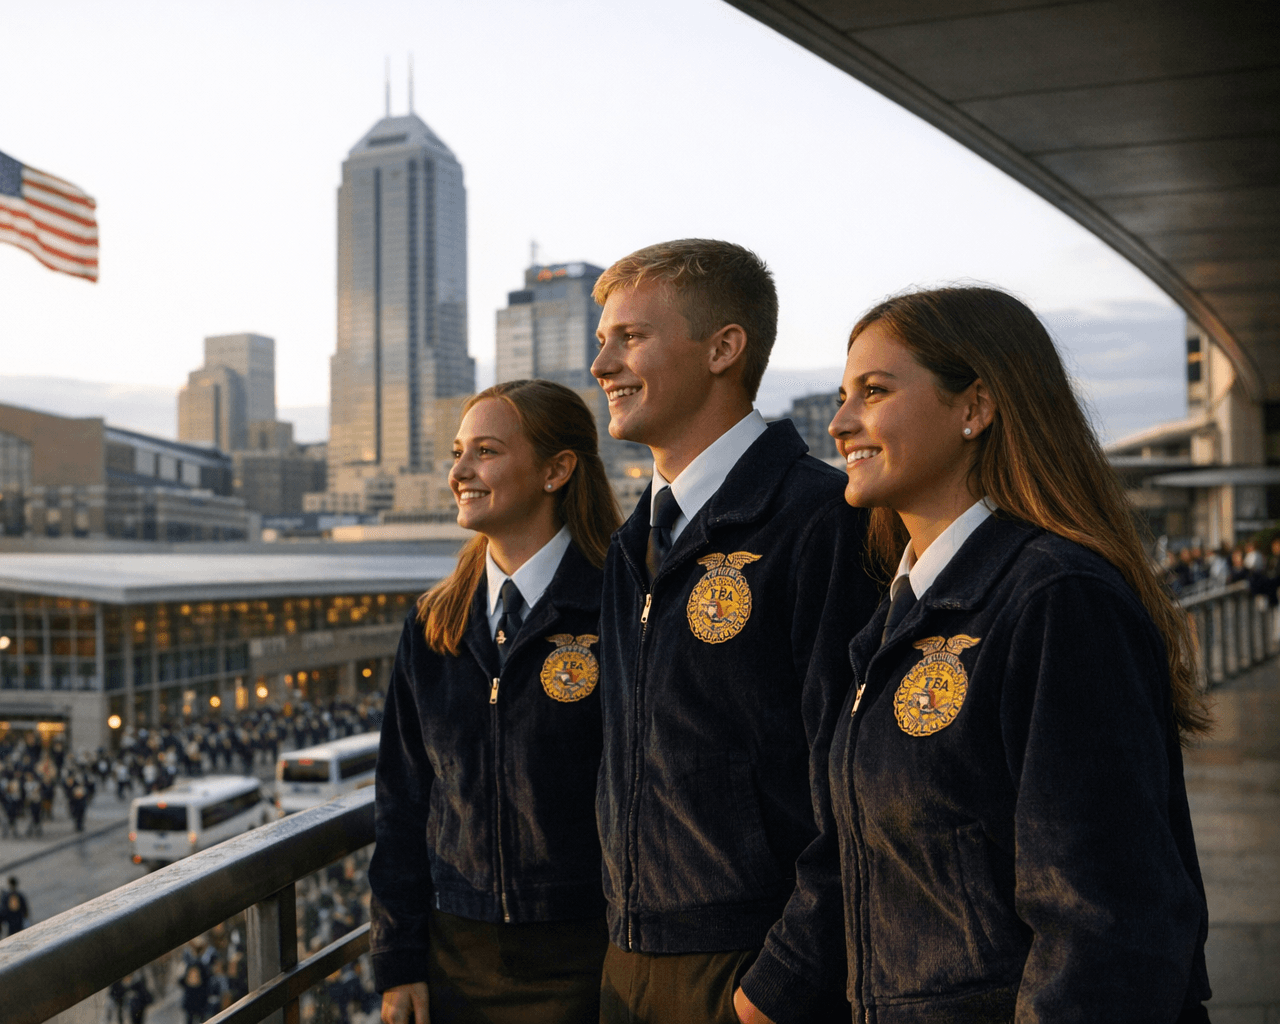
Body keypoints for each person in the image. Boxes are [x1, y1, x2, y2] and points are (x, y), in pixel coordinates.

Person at [738, 286, 1212, 1024]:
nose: (839, 423)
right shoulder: (898, 616)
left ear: (975, 407)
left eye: (875, 391)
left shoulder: (1056, 599)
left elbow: (1106, 917)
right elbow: (863, 855)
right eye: (842, 396)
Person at [585, 240, 877, 1023]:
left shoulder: (822, 522)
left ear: (723, 348)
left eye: (630, 337)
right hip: (629, 960)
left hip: (754, 969)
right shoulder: (629, 547)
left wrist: (782, 980)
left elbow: (857, 783)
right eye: (602, 339)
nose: (600, 364)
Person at [370, 379, 624, 1024]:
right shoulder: (434, 625)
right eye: (458, 452)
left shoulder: (620, 606)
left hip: (593, 955)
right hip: (457, 957)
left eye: (485, 451)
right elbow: (402, 801)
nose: (459, 472)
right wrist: (398, 960)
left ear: (556, 469)